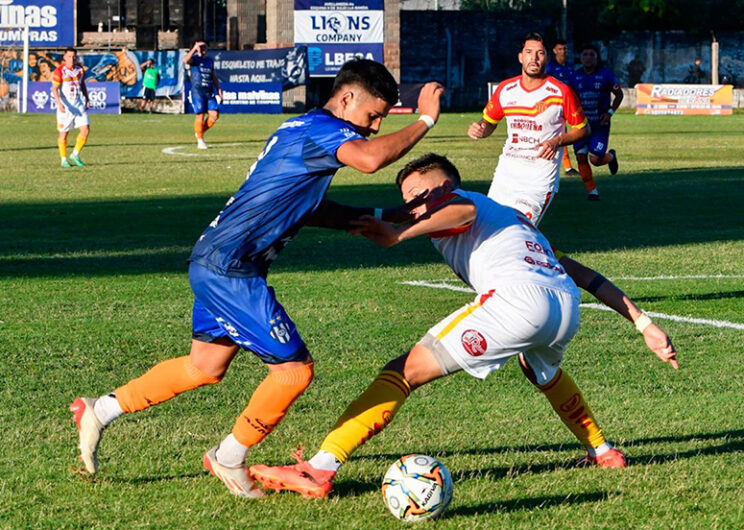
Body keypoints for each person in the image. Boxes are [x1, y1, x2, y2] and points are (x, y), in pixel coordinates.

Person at [70, 59, 445, 499]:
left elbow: (303, 204)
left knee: (204, 366)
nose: (374, 127)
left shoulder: (301, 130)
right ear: (346, 99)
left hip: (220, 260)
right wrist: (425, 119)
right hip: (230, 266)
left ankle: (102, 409)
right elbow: (370, 160)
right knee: (294, 372)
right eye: (373, 116)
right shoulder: (323, 130)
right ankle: (227, 457)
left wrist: (383, 216)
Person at [248, 153, 678, 498]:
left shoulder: (466, 203)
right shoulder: (511, 221)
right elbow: (578, 272)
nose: (416, 202)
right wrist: (642, 322)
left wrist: (397, 235)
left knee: (403, 372)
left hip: (517, 302)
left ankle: (319, 468)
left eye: (422, 192)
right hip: (563, 307)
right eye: (409, 196)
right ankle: (602, 452)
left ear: (445, 186)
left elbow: (460, 209)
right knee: (540, 371)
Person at [468, 32, 590, 225]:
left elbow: (583, 129)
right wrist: (480, 129)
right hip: (506, 175)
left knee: (519, 229)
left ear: (546, 58)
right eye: (529, 52)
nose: (534, 58)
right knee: (487, 228)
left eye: (540, 53)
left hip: (539, 179)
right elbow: (489, 122)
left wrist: (557, 141)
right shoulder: (505, 90)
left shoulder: (561, 92)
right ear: (520, 57)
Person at [570, 44, 623, 201]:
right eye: (585, 54)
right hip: (580, 125)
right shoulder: (574, 76)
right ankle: (592, 192)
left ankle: (611, 157)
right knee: (580, 157)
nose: (588, 57)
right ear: (580, 57)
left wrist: (610, 113)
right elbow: (569, 99)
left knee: (595, 159)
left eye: (591, 54)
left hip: (599, 126)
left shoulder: (605, 74)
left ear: (597, 57)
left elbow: (619, 94)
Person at [545, 39, 579, 178]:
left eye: (565, 49)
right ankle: (567, 166)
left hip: (570, 104)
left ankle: (575, 163)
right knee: (561, 134)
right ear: (554, 51)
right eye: (560, 49)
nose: (563, 52)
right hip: (555, 105)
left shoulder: (571, 67)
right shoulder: (550, 68)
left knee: (578, 131)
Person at [51, 47, 90, 168]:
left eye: (74, 57)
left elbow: (82, 84)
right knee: (64, 134)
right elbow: (54, 89)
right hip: (66, 107)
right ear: (64, 57)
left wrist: (87, 98)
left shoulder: (80, 69)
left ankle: (75, 154)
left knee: (85, 129)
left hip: (78, 104)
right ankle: (63, 159)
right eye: (69, 56)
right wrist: (60, 104)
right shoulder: (59, 71)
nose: (71, 59)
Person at [183, 41, 222, 149]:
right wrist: (194, 48)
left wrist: (219, 90)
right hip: (197, 92)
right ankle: (200, 141)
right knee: (200, 115)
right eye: (201, 47)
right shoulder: (194, 59)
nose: (203, 49)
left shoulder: (209, 61)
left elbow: (213, 76)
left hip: (209, 92)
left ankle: (199, 131)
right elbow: (185, 60)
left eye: (204, 47)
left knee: (214, 115)